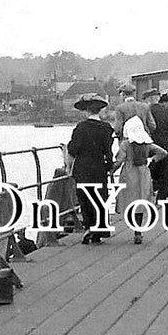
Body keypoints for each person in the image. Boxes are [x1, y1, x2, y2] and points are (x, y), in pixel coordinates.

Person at [66, 93, 115, 244]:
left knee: (85, 197)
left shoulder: (81, 128)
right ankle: (99, 230)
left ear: (86, 111)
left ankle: (89, 226)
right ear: (99, 111)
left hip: (83, 167)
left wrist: (69, 167)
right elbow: (108, 150)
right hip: (99, 167)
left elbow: (73, 150)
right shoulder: (107, 128)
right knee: (100, 197)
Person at [115, 116, 168, 244]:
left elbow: (119, 160)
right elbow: (163, 152)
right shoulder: (147, 144)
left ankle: (134, 226)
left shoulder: (126, 144)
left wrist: (110, 170)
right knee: (141, 199)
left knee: (130, 200)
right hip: (143, 173)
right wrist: (151, 160)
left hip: (129, 174)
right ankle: (138, 232)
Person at [148, 92, 168, 200]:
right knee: (164, 172)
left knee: (153, 171)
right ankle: (166, 194)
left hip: (153, 145)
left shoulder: (148, 111)